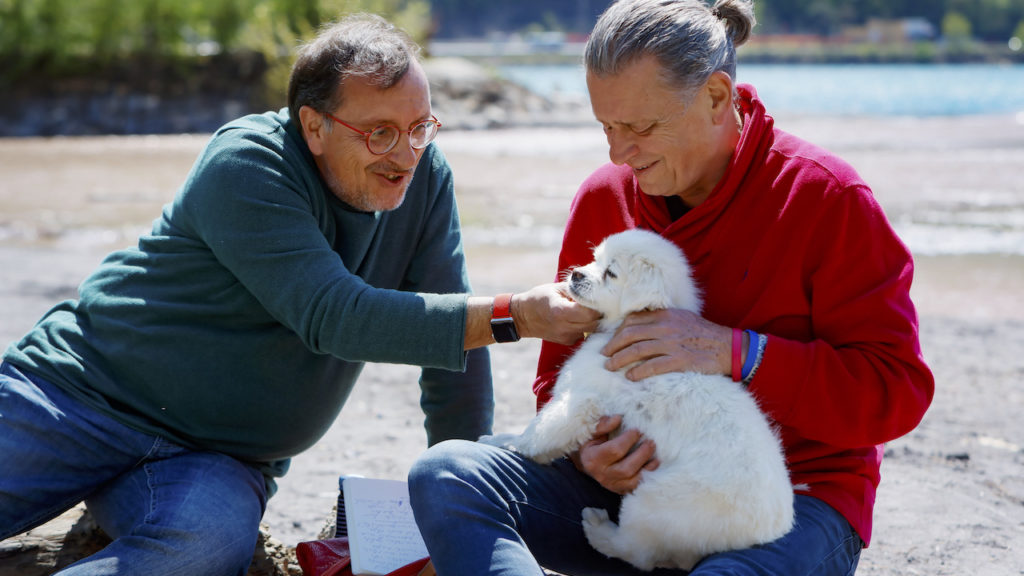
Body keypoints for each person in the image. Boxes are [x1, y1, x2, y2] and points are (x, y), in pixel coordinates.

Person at [0, 14, 600, 576]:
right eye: (380, 133)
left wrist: (461, 493)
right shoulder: (248, 162)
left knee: (202, 547)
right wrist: (517, 314)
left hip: (217, 458)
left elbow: (452, 355)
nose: (406, 153)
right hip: (75, 398)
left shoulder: (425, 178)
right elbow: (335, 316)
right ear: (314, 126)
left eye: (420, 127)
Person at [408, 1, 935, 574]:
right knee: (446, 476)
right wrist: (592, 454)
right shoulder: (603, 198)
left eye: (641, 127)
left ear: (715, 96)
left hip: (786, 505)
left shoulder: (828, 198)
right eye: (607, 127)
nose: (618, 152)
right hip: (626, 501)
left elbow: (896, 392)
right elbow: (557, 378)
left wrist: (735, 353)